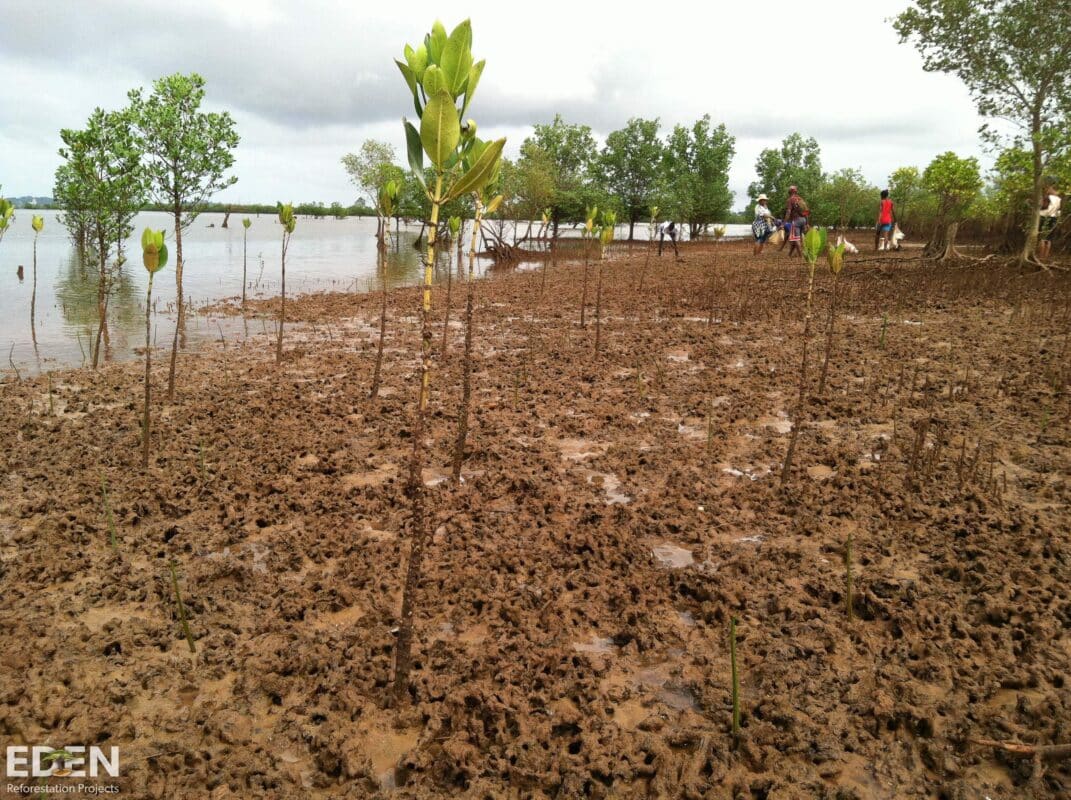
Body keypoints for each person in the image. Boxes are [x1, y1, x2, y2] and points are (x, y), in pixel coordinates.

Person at [779, 186, 809, 256]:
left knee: (796, 239)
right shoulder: (800, 199)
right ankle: (790, 254)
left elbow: (788, 212)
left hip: (796, 221)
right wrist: (807, 223)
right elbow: (806, 212)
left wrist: (783, 224)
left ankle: (800, 257)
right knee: (795, 238)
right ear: (796, 192)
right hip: (803, 220)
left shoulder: (790, 200)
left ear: (789, 192)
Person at [1038, 183, 1061, 260]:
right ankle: (1045, 258)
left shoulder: (1047, 197)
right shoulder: (1058, 199)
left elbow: (1041, 206)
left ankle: (1041, 257)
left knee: (1042, 238)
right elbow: (1058, 210)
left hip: (1044, 217)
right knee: (1049, 239)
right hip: (1054, 218)